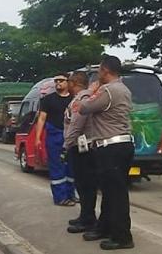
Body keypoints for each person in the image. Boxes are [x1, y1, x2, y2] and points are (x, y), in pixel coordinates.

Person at [79, 55, 135, 250]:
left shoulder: (109, 90)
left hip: (112, 147)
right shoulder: (123, 88)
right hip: (119, 146)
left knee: (117, 194)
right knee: (110, 192)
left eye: (99, 70)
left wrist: (89, 91)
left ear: (106, 71)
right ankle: (105, 227)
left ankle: (122, 237)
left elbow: (83, 108)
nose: (97, 74)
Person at [64, 71, 98, 233]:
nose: (67, 84)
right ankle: (85, 216)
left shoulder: (82, 99)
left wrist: (67, 145)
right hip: (79, 146)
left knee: (85, 185)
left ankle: (88, 219)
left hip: (81, 148)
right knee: (82, 185)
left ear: (75, 82)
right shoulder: (81, 98)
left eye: (69, 81)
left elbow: (76, 125)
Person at [35, 72, 75, 206]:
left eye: (61, 81)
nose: (58, 83)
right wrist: (37, 138)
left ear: (68, 82)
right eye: (56, 81)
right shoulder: (48, 100)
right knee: (57, 167)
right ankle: (60, 197)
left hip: (71, 137)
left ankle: (71, 194)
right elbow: (41, 119)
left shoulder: (74, 99)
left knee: (71, 167)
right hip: (54, 137)